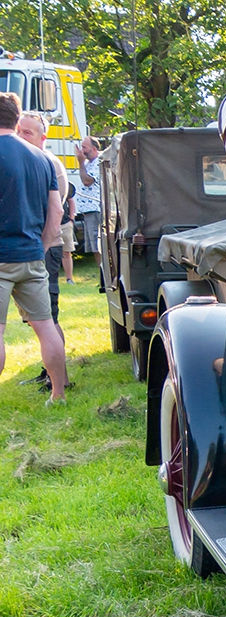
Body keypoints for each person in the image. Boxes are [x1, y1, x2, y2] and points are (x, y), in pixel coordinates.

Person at [0, 93, 68, 403]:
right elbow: (57, 211)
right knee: (46, 327)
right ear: (16, 119)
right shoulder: (42, 158)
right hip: (31, 255)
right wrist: (39, 248)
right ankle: (58, 393)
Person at [17, 112, 71, 356]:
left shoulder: (47, 162)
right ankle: (49, 373)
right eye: (19, 131)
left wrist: (41, 248)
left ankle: (59, 380)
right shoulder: (27, 159)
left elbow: (54, 211)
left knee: (48, 316)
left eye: (27, 132)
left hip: (45, 247)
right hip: (33, 247)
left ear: (43, 137)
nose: (21, 136)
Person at [74, 134, 102, 288]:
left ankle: (105, 278)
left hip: (96, 209)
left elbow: (87, 180)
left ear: (94, 148)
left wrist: (80, 163)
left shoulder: (98, 163)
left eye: (84, 147)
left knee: (98, 245)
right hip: (89, 210)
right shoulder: (89, 163)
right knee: (94, 247)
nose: (82, 150)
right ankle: (102, 277)